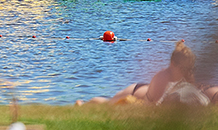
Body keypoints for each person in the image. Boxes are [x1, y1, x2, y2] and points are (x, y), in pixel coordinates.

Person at [76, 41, 208, 105]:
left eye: (189, 68)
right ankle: (82, 104)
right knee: (108, 104)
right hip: (134, 93)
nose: (186, 72)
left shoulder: (181, 75)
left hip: (141, 90)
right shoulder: (163, 77)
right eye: (184, 68)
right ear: (173, 64)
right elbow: (151, 107)